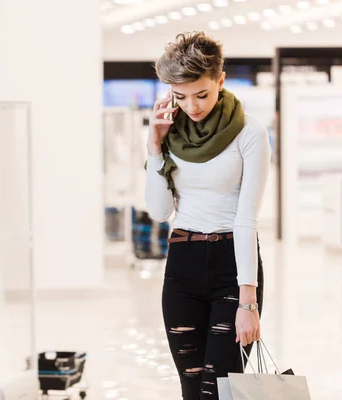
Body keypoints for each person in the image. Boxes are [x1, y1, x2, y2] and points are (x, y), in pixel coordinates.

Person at [144, 32, 270, 400]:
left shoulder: (250, 132)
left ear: (220, 80)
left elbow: (247, 218)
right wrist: (154, 146)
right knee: (191, 388)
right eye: (180, 97)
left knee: (221, 390)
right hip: (182, 263)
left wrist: (249, 302)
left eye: (201, 94)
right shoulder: (168, 132)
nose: (192, 107)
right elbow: (159, 211)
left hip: (232, 268)